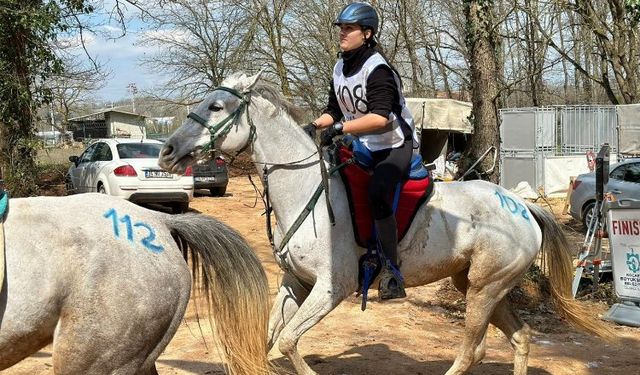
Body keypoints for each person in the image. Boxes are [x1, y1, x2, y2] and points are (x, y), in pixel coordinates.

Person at [303, 2, 418, 300]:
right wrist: (315, 125)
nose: (342, 33)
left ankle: (392, 271)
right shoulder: (340, 66)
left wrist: (341, 129)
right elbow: (334, 110)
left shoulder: (378, 68)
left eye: (349, 28)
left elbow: (380, 117)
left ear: (367, 33)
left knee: (378, 191)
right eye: (341, 27)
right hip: (364, 144)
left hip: (394, 145)